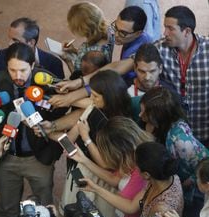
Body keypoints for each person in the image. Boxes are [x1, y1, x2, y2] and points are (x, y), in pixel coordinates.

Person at [58, 6, 209, 147]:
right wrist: (80, 82)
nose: (164, 33)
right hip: (173, 130)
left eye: (170, 28)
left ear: (187, 31)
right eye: (164, 27)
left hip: (204, 127)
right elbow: (117, 67)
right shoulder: (159, 47)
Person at [0, 42, 66, 217]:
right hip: (6, 158)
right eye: (12, 70)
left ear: (33, 66)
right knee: (7, 210)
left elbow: (62, 114)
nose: (18, 76)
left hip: (39, 158)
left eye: (23, 70)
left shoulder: (48, 82)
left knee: (45, 212)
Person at [81, 141, 184, 217]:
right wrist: (96, 188)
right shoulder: (165, 179)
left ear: (146, 175)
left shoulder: (160, 209)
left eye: (137, 168)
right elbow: (131, 206)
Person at [69, 117, 152, 217]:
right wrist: (83, 160)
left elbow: (130, 207)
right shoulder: (134, 158)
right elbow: (116, 180)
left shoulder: (142, 170)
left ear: (120, 150)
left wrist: (96, 188)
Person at [140, 87, 209, 217]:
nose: (141, 115)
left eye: (146, 113)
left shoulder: (180, 139)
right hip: (177, 184)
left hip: (191, 195)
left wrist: (187, 182)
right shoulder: (163, 128)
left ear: (160, 115)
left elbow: (204, 162)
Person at [0, 17, 64, 79]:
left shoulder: (54, 63)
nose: (9, 44)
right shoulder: (0, 57)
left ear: (31, 43)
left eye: (15, 40)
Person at [61, 2, 114, 77]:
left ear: (82, 28)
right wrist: (74, 50)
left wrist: (68, 62)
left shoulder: (91, 57)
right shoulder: (109, 31)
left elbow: (79, 79)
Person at [112, 5, 152, 84]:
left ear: (138, 33)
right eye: (115, 27)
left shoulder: (142, 49)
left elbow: (117, 70)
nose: (116, 34)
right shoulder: (130, 37)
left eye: (123, 33)